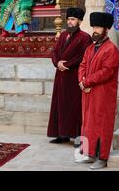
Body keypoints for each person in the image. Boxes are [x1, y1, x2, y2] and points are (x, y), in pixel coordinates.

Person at [76, 12, 119, 170]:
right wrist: (81, 81)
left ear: (106, 30)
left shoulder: (111, 50)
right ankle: (90, 154)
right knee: (88, 123)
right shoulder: (89, 48)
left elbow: (107, 72)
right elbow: (82, 65)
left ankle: (102, 158)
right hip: (88, 92)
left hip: (103, 94)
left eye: (98, 27)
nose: (95, 30)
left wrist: (87, 81)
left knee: (102, 124)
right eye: (93, 26)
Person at [47, 8, 92, 146]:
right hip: (61, 76)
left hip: (73, 76)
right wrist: (57, 63)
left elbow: (84, 56)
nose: (70, 22)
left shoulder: (85, 37)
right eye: (68, 19)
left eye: (73, 19)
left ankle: (78, 136)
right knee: (60, 105)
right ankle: (62, 134)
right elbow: (55, 51)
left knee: (75, 106)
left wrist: (67, 64)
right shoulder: (63, 35)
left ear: (79, 21)